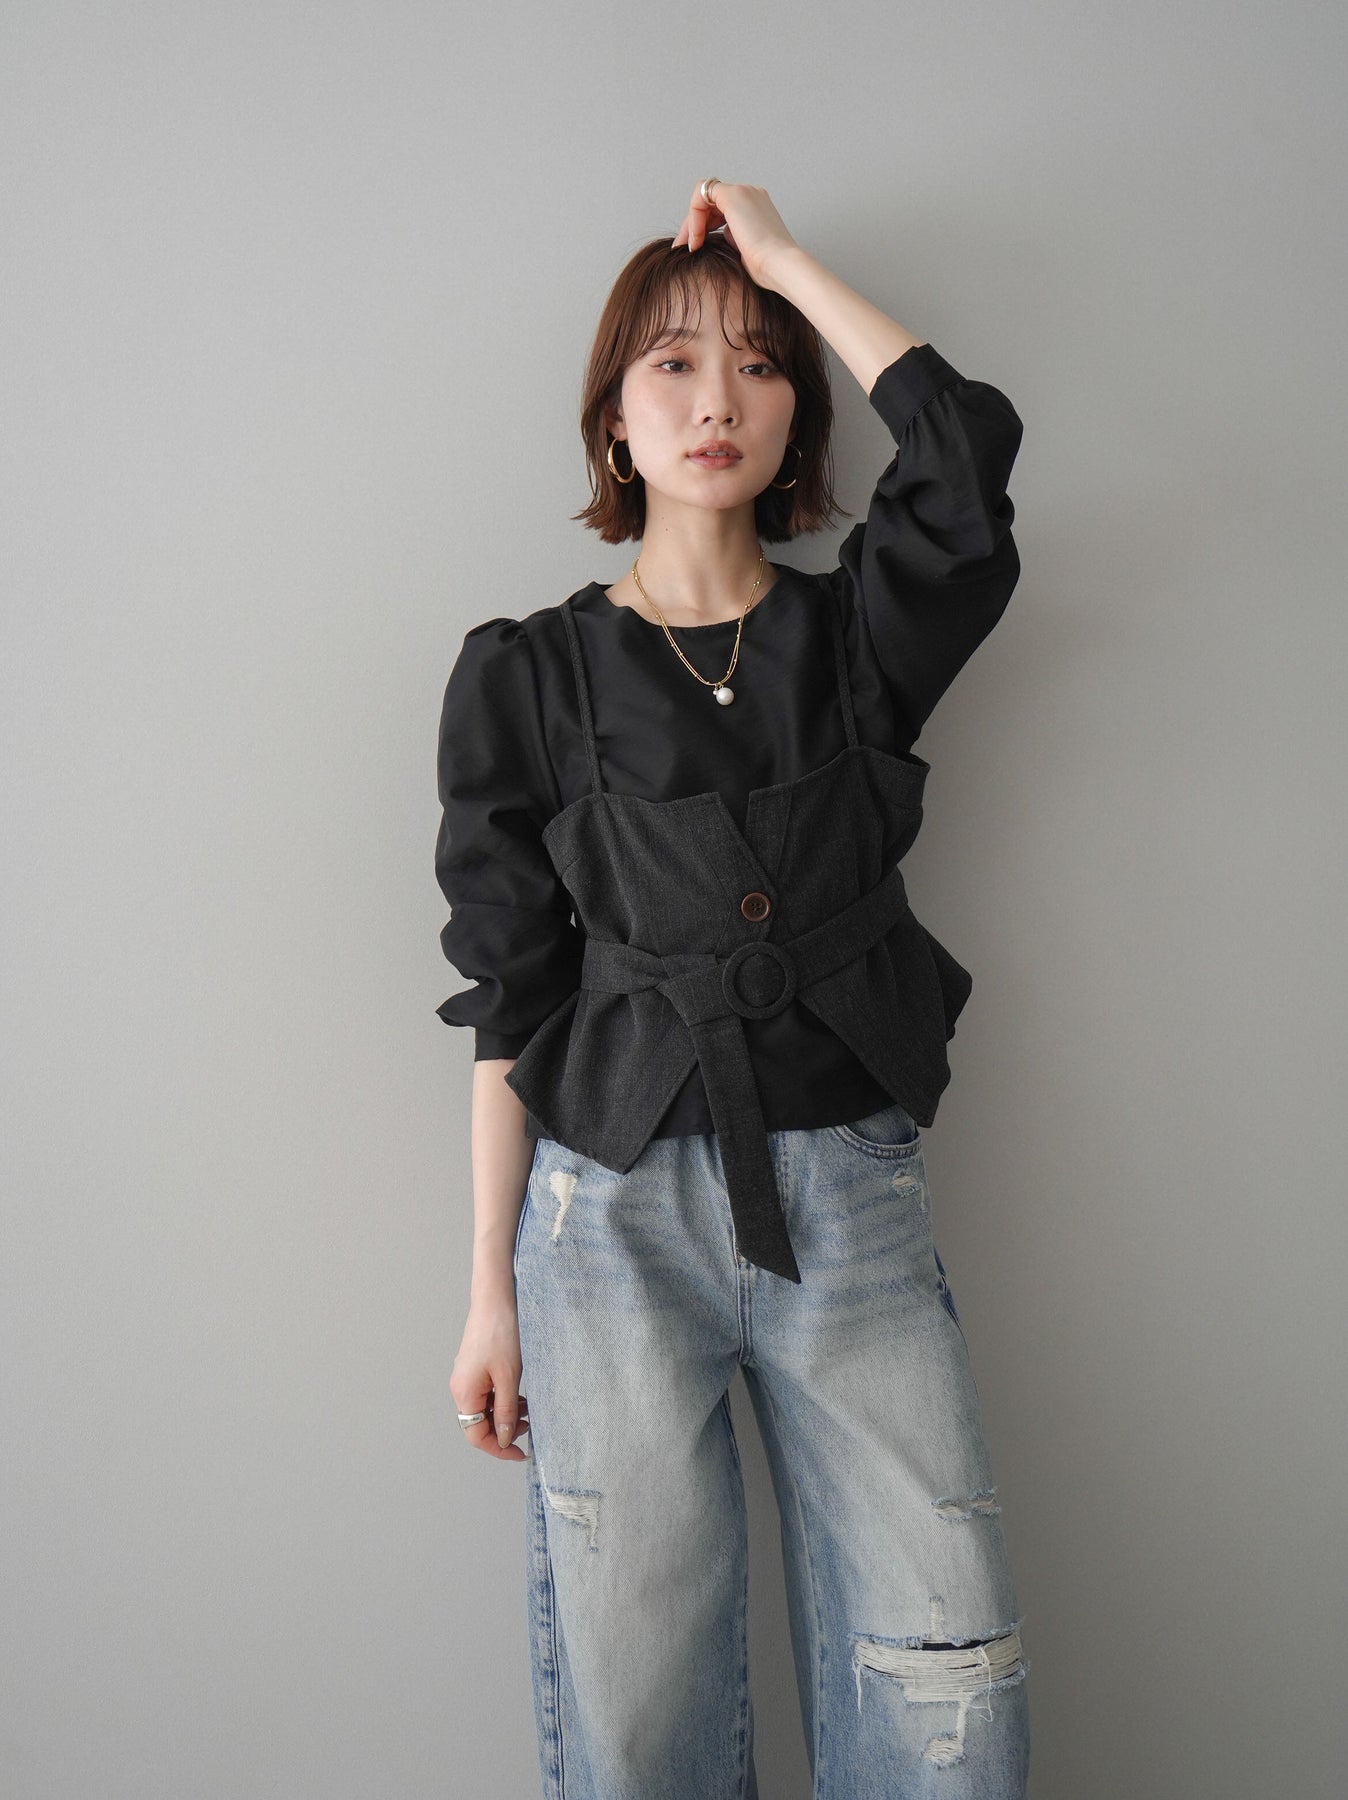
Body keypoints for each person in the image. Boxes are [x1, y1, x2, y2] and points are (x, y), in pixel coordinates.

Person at [436, 178, 1031, 1798]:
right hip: (607, 1220)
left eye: (760, 366)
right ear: (614, 420)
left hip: (849, 1200)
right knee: (642, 1707)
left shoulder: (860, 641)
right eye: (675, 364)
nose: (718, 401)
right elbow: (510, 998)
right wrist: (488, 1286)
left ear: (799, 422)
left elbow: (966, 461)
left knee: (948, 1678)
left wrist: (781, 261)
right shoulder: (528, 677)